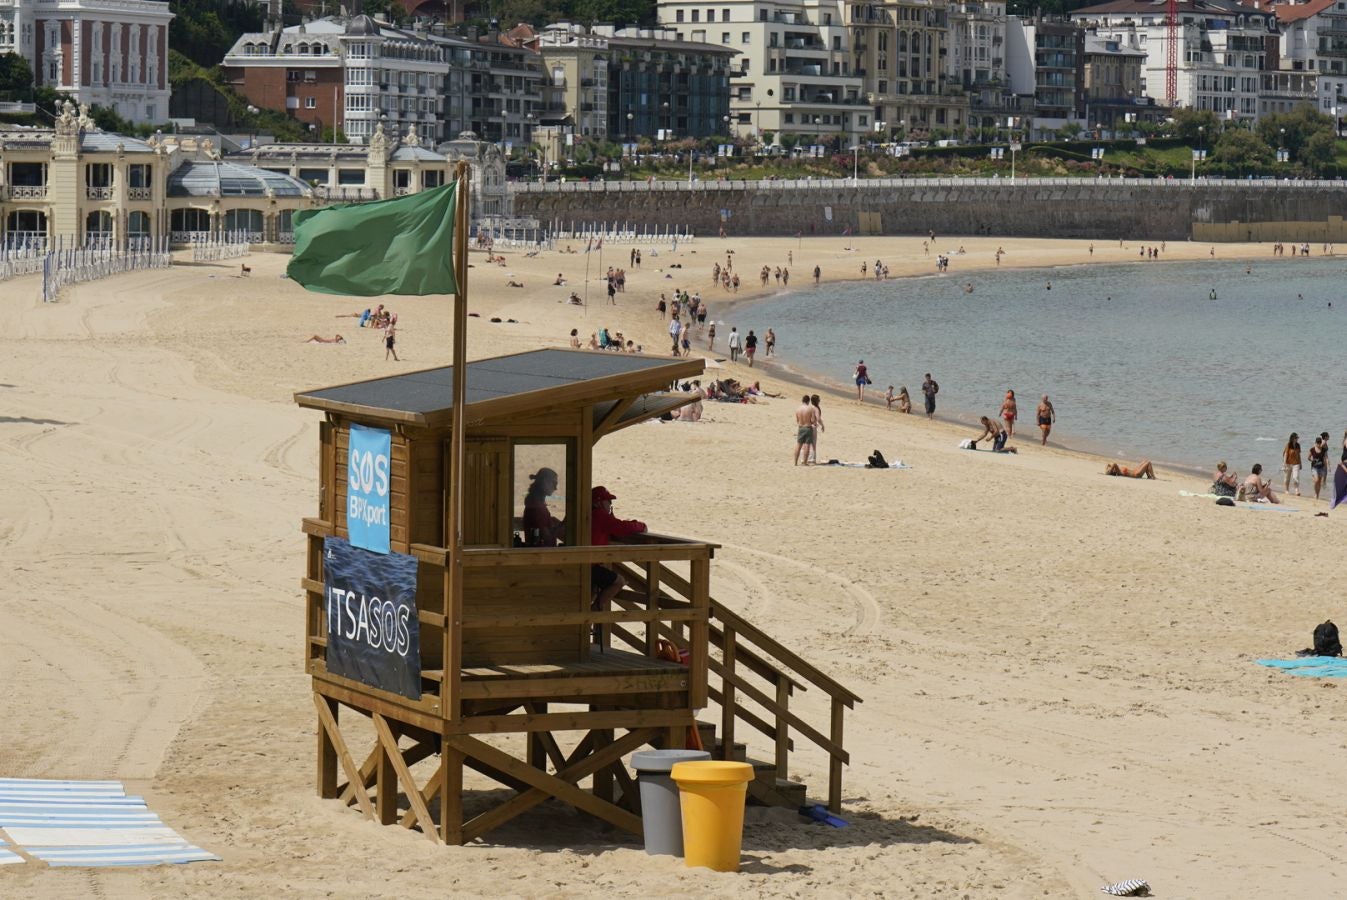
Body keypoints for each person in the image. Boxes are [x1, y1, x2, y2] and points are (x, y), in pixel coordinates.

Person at [590, 485, 647, 624]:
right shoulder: (599, 515)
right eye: (607, 501)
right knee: (618, 581)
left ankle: (592, 610)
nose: (610, 504)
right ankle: (595, 610)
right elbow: (622, 527)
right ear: (598, 502)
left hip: (583, 563)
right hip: (589, 565)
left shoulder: (590, 514)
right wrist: (641, 525)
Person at [522, 468, 566, 545]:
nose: (555, 488)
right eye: (553, 483)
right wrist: (564, 523)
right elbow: (546, 537)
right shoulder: (537, 508)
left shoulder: (533, 503)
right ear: (544, 482)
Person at [794, 395, 818, 466]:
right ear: (808, 401)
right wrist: (814, 422)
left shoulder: (798, 409)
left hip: (801, 427)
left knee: (798, 445)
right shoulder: (810, 409)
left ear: (802, 400)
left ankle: (795, 462)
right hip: (808, 428)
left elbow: (797, 420)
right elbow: (813, 420)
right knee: (807, 445)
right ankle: (804, 462)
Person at [1309, 433, 1329, 501]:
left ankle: (1317, 495)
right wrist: (1312, 460)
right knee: (1316, 480)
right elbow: (1308, 457)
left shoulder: (1323, 450)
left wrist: (1327, 466)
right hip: (1314, 467)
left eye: (1319, 442)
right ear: (1315, 443)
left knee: (1319, 482)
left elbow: (1325, 458)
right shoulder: (1312, 449)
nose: (1319, 444)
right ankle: (1315, 493)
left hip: (1321, 467)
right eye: (1317, 442)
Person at [1282, 432, 1302, 496]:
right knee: (1287, 478)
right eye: (1296, 438)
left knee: (1295, 477)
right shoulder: (1288, 445)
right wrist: (1284, 464)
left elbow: (1299, 455)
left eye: (1297, 438)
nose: (1297, 439)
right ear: (1292, 438)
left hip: (1296, 464)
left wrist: (1300, 463)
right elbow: (1285, 454)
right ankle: (1286, 490)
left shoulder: (1298, 445)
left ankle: (1296, 490)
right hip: (1288, 463)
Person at [808, 394, 824, 464]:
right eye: (819, 400)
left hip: (808, 425)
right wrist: (822, 425)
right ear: (817, 401)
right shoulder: (816, 408)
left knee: (807, 443)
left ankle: (807, 458)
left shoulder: (809, 407)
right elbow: (818, 418)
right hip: (813, 427)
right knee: (813, 443)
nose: (820, 401)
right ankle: (812, 459)